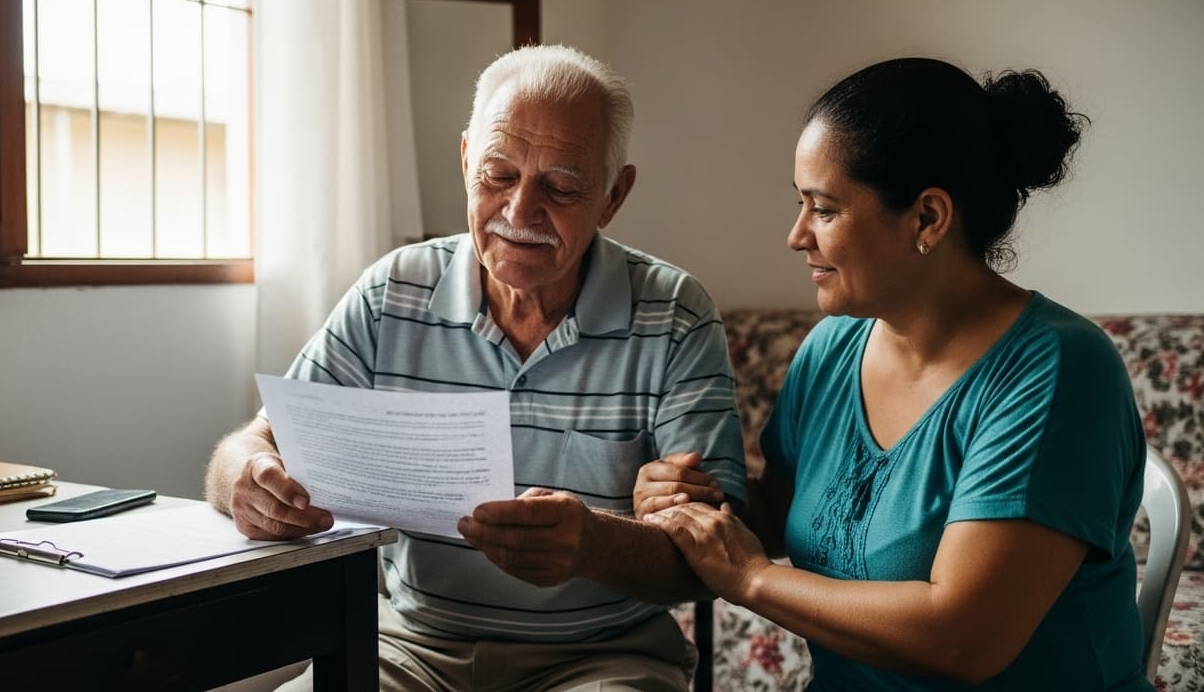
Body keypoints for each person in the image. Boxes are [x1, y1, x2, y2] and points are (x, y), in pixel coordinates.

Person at [206, 44, 745, 691]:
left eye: (561, 186)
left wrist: (595, 546)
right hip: (410, 646)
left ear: (612, 195)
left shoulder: (676, 313)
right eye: (498, 174)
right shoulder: (392, 293)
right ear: (466, 161)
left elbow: (720, 551)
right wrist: (245, 480)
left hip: (604, 657)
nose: (520, 212)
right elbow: (254, 443)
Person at [638, 57, 1152, 690]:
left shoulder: (1058, 372)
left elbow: (964, 638)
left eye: (824, 209)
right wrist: (699, 506)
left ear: (928, 218)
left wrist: (749, 577)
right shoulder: (833, 347)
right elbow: (782, 509)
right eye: (800, 204)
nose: (797, 235)